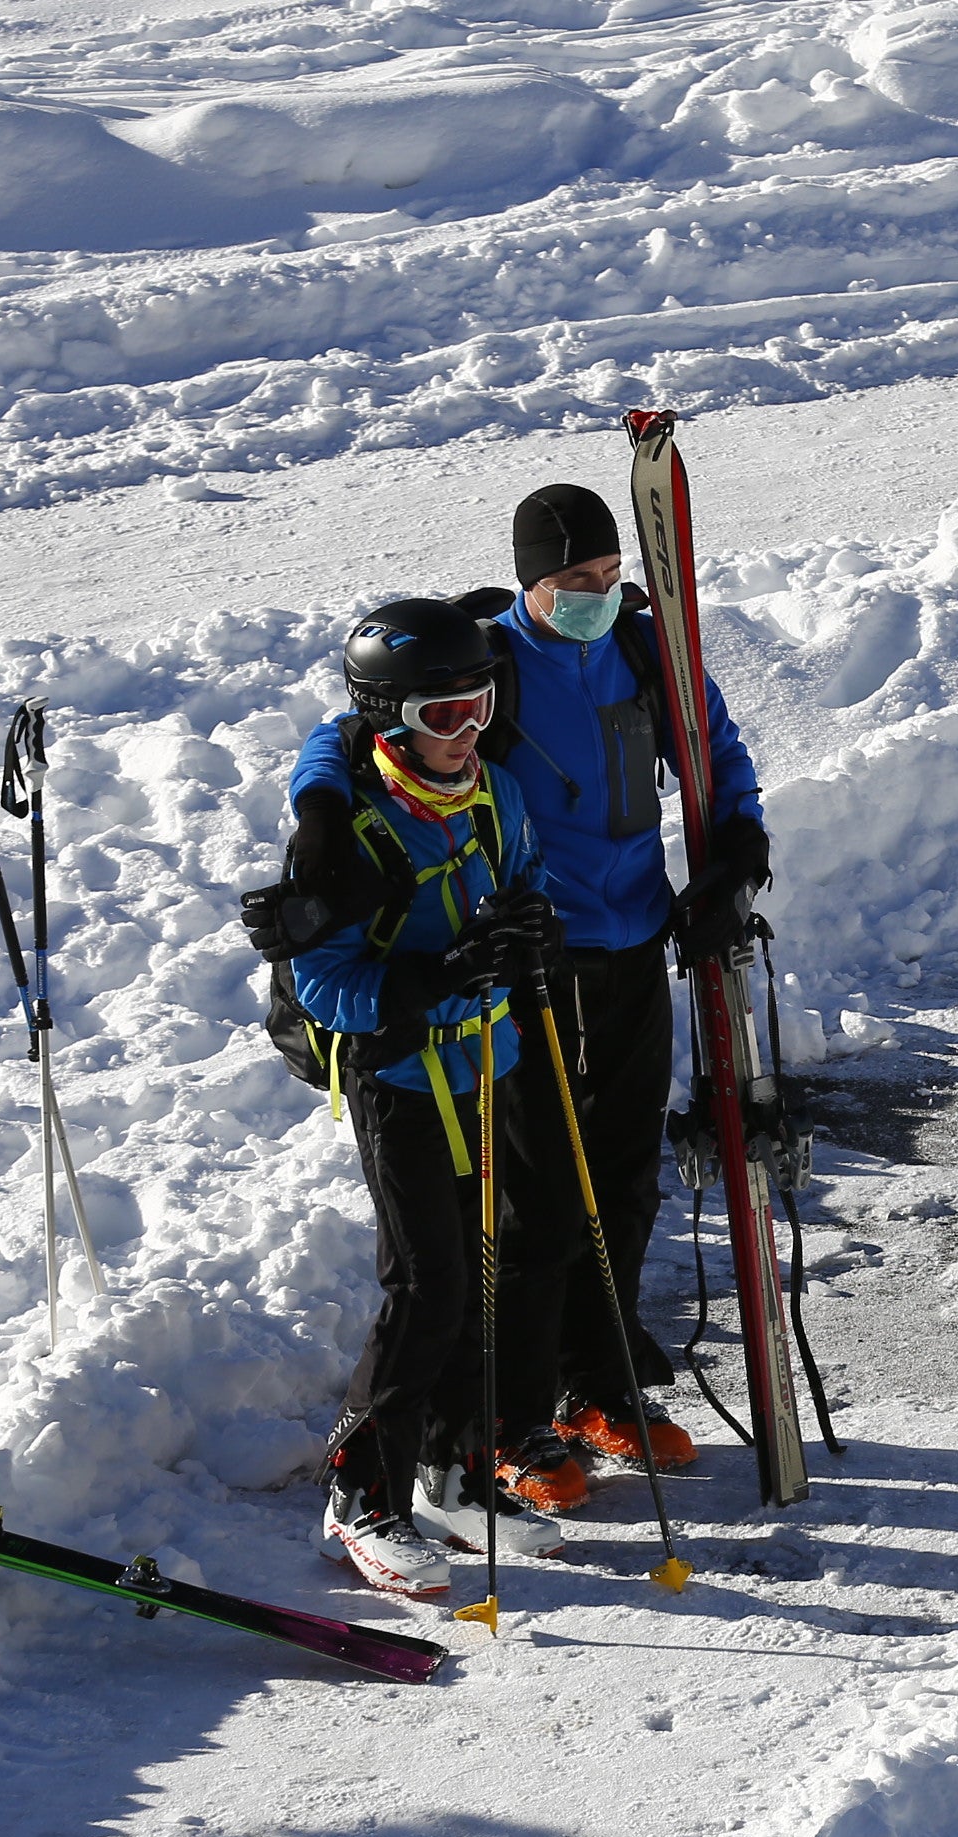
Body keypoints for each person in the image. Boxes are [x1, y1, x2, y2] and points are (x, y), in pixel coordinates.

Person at [268, 597, 579, 1596]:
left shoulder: (495, 796)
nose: (467, 733)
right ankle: (362, 1496)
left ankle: (452, 1470)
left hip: (485, 1067)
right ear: (391, 717)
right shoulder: (354, 825)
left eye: (480, 707)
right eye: (443, 717)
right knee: (426, 1288)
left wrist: (530, 927)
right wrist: (435, 975)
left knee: (484, 1274)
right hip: (402, 1082)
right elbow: (324, 982)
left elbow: (528, 873)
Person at [476, 480, 773, 1493]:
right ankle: (514, 1415)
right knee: (538, 1191)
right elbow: (375, 757)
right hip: (536, 959)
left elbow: (718, 754)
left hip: (638, 935)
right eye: (574, 581)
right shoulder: (487, 667)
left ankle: (600, 1379)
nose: (599, 594)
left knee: (626, 1170)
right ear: (531, 583)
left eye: (611, 576)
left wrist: (734, 850)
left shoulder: (647, 651)